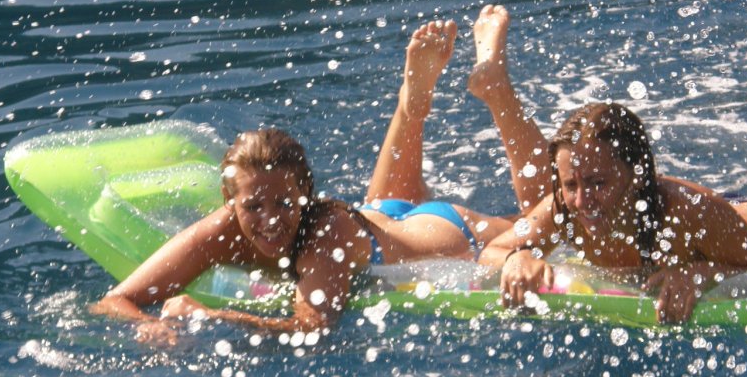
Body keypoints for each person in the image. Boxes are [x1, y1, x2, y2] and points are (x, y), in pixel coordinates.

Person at [466, 6, 747, 324]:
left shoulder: (684, 209)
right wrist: (516, 258)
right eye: (571, 184)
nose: (584, 200)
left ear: (637, 175)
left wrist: (701, 274)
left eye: (598, 182)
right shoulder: (565, 205)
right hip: (723, 220)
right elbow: (493, 251)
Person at [90, 20, 515, 342]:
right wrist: (148, 327)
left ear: (305, 196)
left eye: (284, 205)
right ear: (230, 201)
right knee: (382, 204)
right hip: (374, 220)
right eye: (253, 207)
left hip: (442, 233)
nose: (270, 220)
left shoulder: (324, 236)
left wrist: (211, 317)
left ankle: (494, 87)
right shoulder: (221, 231)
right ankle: (411, 105)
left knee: (548, 219)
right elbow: (114, 300)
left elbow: (312, 329)